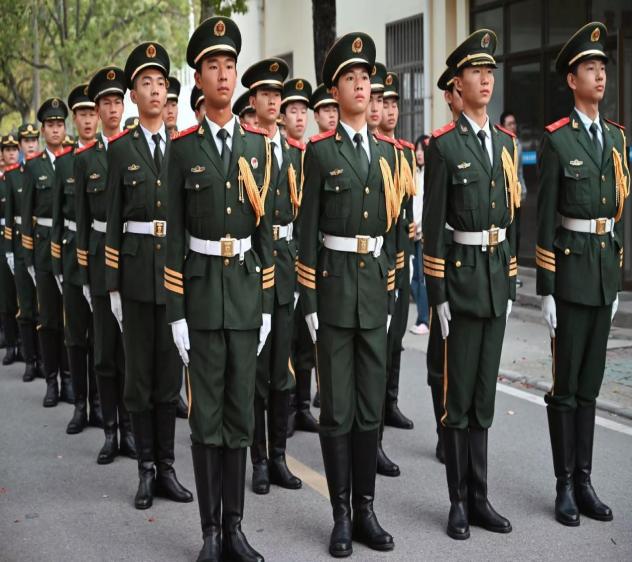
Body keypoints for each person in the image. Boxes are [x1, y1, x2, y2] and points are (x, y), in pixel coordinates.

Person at [166, 16, 274, 561]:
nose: (225, 74)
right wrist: (176, 312)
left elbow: (266, 232)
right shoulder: (182, 149)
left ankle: (235, 528)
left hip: (246, 296)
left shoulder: (259, 146)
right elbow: (172, 237)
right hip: (203, 295)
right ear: (199, 78)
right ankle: (210, 532)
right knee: (206, 418)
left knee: (240, 416)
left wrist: (268, 305)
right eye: (214, 66)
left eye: (230, 65)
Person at [298, 32, 398, 557]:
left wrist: (391, 291)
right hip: (334, 291)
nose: (361, 86)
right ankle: (340, 514)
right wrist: (311, 302)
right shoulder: (320, 152)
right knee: (337, 411)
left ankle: (366, 510)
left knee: (369, 408)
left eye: (366, 78)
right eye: (350, 79)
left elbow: (393, 229)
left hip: (373, 291)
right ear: (334, 92)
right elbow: (306, 233)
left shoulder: (388, 153)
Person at [423, 29, 519, 540]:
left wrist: (511, 280)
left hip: (494, 281)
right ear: (457, 83)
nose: (485, 80)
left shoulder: (505, 143)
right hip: (459, 283)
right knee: (457, 398)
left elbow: (511, 217)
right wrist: (436, 294)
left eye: (489, 72)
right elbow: (434, 227)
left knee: (484, 395)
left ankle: (481, 498)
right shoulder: (443, 146)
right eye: (475, 72)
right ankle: (458, 501)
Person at [537, 21, 628, 527]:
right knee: (566, 386)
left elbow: (619, 212)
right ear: (572, 80)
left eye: (602, 68)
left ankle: (586, 480)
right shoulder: (557, 140)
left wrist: (616, 275)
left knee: (590, 386)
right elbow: (545, 219)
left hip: (601, 275)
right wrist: (546, 289)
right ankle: (564, 484)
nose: (600, 75)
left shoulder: (615, 138)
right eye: (590, 68)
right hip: (569, 277)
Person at [105, 42, 192, 510]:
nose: (155, 90)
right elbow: (112, 221)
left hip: (174, 278)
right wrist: (113, 285)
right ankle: (145, 470)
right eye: (146, 83)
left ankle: (167, 469)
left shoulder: (183, 148)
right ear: (134, 96)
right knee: (139, 378)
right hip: (137, 277)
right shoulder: (121, 150)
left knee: (167, 378)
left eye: (161, 82)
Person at [241, 57, 303, 496]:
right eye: (266, 94)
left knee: (283, 371)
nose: (273, 101)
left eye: (278, 94)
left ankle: (279, 456)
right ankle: (258, 460)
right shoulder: (245, 150)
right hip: (253, 272)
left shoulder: (296, 153)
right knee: (258, 374)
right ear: (253, 100)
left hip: (286, 269)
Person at [75, 65, 137, 464]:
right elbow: (82, 222)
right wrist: (85, 274)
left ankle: (129, 430)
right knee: (105, 352)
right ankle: (110, 431)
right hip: (100, 261)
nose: (113, 110)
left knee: (131, 351)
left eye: (117, 101)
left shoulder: (134, 149)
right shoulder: (85, 159)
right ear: (96, 111)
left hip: (132, 259)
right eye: (106, 104)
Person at [52, 84, 102, 434]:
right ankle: (80, 405)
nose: (87, 120)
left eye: (91, 113)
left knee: (101, 337)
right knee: (75, 335)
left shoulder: (108, 155)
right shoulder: (64, 163)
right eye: (81, 114)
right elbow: (57, 218)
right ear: (74, 119)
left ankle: (99, 404)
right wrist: (57, 266)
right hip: (72, 259)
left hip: (99, 258)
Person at [424, 65, 464, 465]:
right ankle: (443, 427)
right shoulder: (442, 145)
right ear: (450, 96)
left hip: (476, 266)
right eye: (454, 89)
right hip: (450, 262)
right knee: (441, 354)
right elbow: (434, 220)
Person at [22, 98, 73, 408]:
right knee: (49, 319)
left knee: (71, 321)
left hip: (69, 248)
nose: (55, 129)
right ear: (43, 131)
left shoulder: (73, 159)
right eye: (50, 125)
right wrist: (28, 258)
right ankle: (52, 381)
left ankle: (70, 380)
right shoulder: (33, 167)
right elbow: (27, 213)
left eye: (59, 124)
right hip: (43, 251)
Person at [282, 77, 320, 435]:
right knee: (288, 338)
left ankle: (304, 406)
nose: (299, 117)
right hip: (284, 256)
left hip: (307, 257)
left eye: (302, 111)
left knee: (307, 338)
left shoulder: (312, 155)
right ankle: (289, 404)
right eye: (292, 110)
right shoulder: (280, 153)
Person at [380, 70, 416, 433]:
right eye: (384, 103)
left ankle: (391, 400)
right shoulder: (376, 150)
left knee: (399, 331)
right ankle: (375, 406)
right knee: (382, 334)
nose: (389, 110)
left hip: (403, 254)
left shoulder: (404, 151)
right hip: (380, 253)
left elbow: (408, 205)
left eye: (394, 104)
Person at [4, 123, 42, 382]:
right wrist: (9, 250)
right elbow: (9, 218)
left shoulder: (46, 169)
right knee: (26, 307)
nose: (30, 145)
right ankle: (30, 360)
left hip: (45, 246)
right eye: (26, 141)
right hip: (20, 247)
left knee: (45, 309)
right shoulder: (12, 176)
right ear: (19, 146)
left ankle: (45, 360)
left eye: (33, 140)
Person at [0, 133, 22, 366]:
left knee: (23, 294)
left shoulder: (23, 176)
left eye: (14, 149)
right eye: (7, 150)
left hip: (20, 238)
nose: (11, 153)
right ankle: (10, 343)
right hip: (3, 241)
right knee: (6, 295)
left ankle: (24, 345)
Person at [500, 110, 526, 287]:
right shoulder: (500, 144)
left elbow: (520, 172)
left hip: (516, 197)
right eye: (510, 124)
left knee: (516, 235)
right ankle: (504, 272)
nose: (513, 126)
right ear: (503, 126)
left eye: (514, 123)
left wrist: (523, 190)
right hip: (504, 199)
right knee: (506, 236)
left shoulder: (518, 144)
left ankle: (513, 273)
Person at [409, 134, 430, 336]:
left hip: (424, 235)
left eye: (423, 149)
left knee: (422, 278)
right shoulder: (413, 173)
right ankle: (425, 315)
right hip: (413, 234)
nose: (419, 153)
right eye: (417, 149)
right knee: (413, 278)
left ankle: (423, 319)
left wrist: (421, 225)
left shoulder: (431, 175)